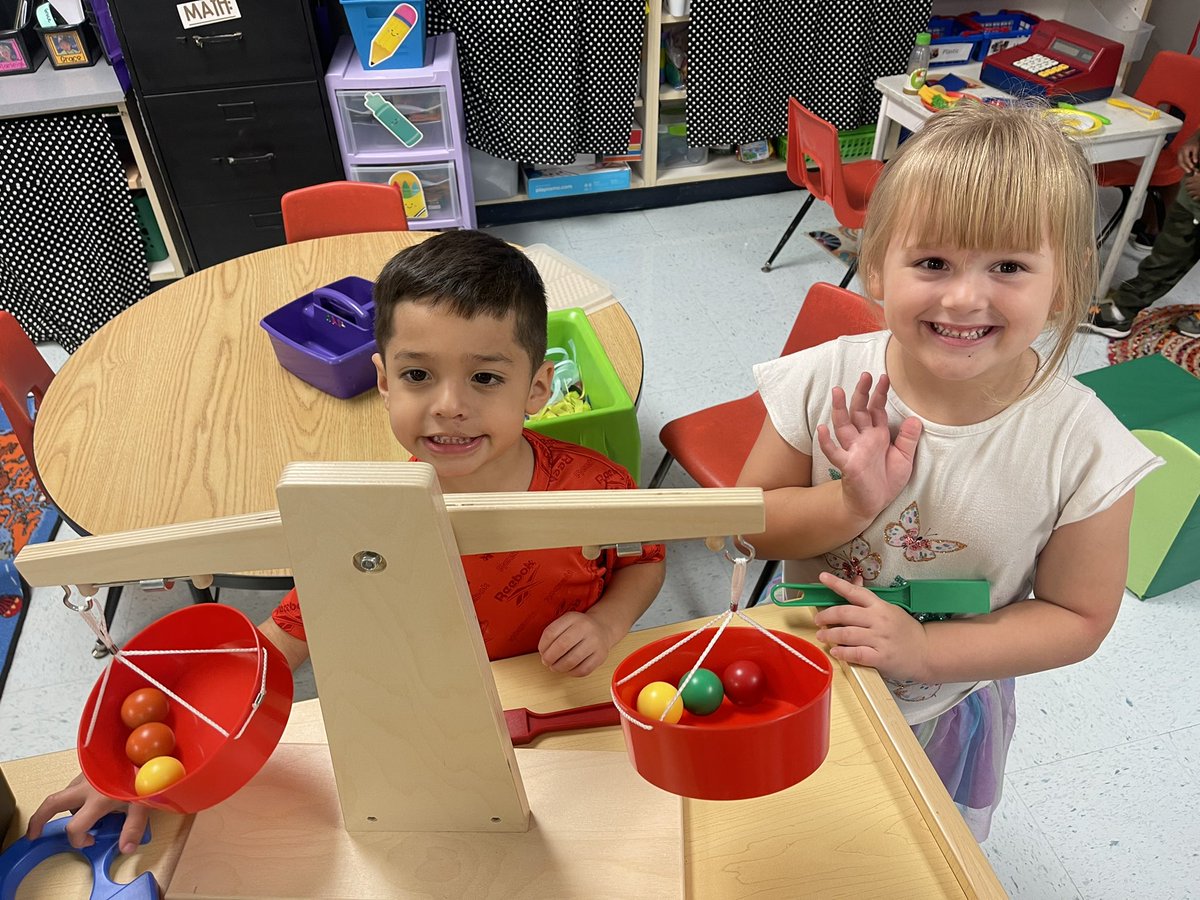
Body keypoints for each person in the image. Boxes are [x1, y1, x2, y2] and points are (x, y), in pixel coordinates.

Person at [28, 229, 666, 854]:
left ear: (537, 388)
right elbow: (280, 642)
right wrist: (168, 754)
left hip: (561, 702)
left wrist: (607, 623)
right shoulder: (366, 520)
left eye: (486, 379)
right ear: (384, 380)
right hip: (438, 719)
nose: (449, 405)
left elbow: (646, 561)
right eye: (419, 374)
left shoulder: (596, 487)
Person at [737, 103, 1163, 841]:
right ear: (876, 266)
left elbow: (1079, 618)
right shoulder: (821, 381)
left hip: (940, 702)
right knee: (788, 838)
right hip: (800, 669)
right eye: (933, 262)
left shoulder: (1084, 445)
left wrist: (926, 651)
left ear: (1062, 284)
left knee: (902, 850)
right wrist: (848, 502)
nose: (965, 297)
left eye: (1008, 266)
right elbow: (742, 534)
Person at [1082, 127, 1200, 339]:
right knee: (1167, 256)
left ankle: (1121, 310)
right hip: (1193, 194)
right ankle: (1121, 312)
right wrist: (1195, 138)